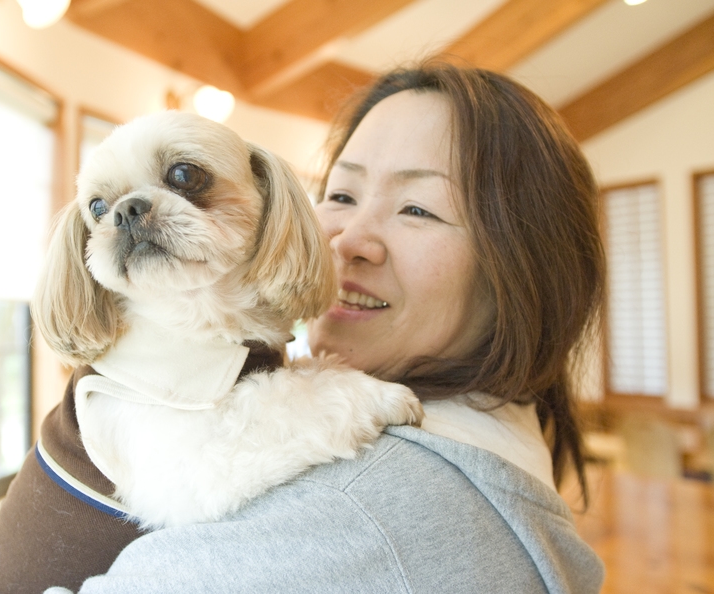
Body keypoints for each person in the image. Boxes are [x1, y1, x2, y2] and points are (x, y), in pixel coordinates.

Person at [47, 59, 606, 593]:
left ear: (531, 267)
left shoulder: (365, 509)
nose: (347, 239)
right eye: (340, 195)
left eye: (418, 208)